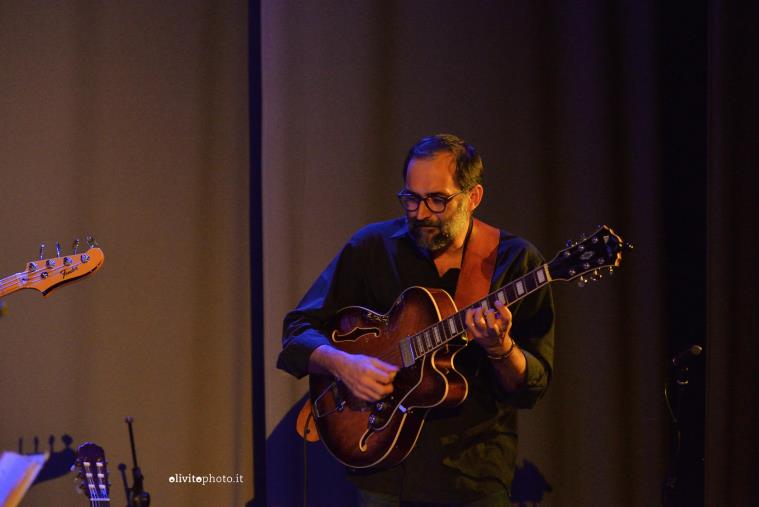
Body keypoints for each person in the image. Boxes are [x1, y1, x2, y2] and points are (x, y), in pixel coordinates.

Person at [277, 134, 555, 506]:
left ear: (472, 197)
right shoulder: (371, 248)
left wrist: (500, 347)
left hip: (472, 474)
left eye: (438, 200)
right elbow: (297, 331)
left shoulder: (515, 263)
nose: (421, 213)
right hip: (381, 471)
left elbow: (530, 387)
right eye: (411, 198)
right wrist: (344, 365)